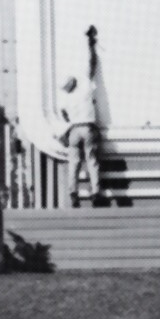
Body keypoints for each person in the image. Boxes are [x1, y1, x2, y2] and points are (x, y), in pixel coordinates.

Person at [56, 26, 105, 208]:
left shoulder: (66, 98)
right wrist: (90, 43)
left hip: (73, 130)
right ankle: (95, 192)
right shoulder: (84, 85)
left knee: (74, 163)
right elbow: (91, 63)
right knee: (92, 160)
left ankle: (73, 193)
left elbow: (63, 114)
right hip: (88, 127)